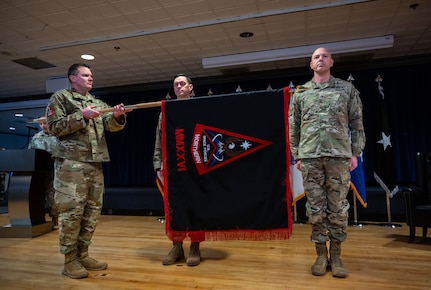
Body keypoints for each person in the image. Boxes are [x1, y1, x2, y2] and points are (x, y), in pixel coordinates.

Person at [46, 63, 132, 279]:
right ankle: (69, 261)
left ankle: (82, 254)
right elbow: (54, 127)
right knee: (71, 213)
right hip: (71, 166)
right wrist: (81, 116)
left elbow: (111, 126)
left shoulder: (97, 102)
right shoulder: (61, 98)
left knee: (92, 213)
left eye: (91, 75)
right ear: (72, 78)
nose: (90, 78)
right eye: (85, 75)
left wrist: (117, 116)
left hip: (95, 164)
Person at [288, 47, 365, 278]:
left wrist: (354, 153)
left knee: (338, 209)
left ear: (331, 61)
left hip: (339, 157)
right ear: (311, 64)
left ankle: (337, 256)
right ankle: (321, 255)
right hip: (310, 158)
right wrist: (298, 155)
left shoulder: (346, 89)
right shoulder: (301, 93)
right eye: (315, 57)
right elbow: (293, 128)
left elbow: (357, 123)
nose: (320, 59)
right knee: (315, 209)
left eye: (324, 56)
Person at [153, 74, 204, 266]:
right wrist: (158, 164)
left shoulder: (199, 108)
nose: (178, 86)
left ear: (190, 87)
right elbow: (159, 139)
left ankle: (195, 247)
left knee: (195, 207)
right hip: (173, 167)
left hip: (196, 166)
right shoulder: (166, 111)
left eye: (182, 83)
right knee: (174, 208)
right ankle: (176, 247)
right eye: (175, 84)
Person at [28, 116, 59, 229]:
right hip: (39, 172)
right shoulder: (36, 137)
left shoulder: (59, 135)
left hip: (55, 170)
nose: (43, 126)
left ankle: (55, 218)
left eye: (45, 123)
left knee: (53, 195)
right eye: (41, 124)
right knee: (40, 195)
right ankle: (38, 218)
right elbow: (30, 153)